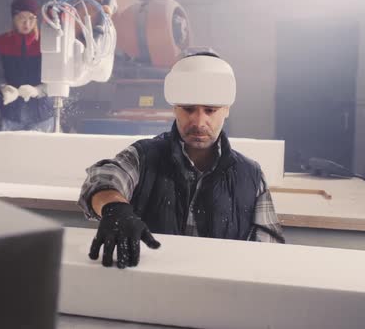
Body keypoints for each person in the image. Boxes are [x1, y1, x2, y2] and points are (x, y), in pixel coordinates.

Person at [79, 51, 285, 269]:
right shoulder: (143, 157)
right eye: (188, 109)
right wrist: (114, 208)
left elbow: (269, 253)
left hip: (221, 295)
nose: (198, 121)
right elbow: (103, 178)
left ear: (226, 110)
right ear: (175, 107)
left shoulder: (251, 176)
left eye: (210, 110)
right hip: (150, 292)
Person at [0, 0, 54, 132]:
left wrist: (38, 90)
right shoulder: (1, 43)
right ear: (14, 18)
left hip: (42, 115)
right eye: (22, 18)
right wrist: (4, 88)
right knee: (11, 153)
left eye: (31, 18)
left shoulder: (47, 43)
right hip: (11, 115)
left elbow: (55, 79)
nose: (27, 23)